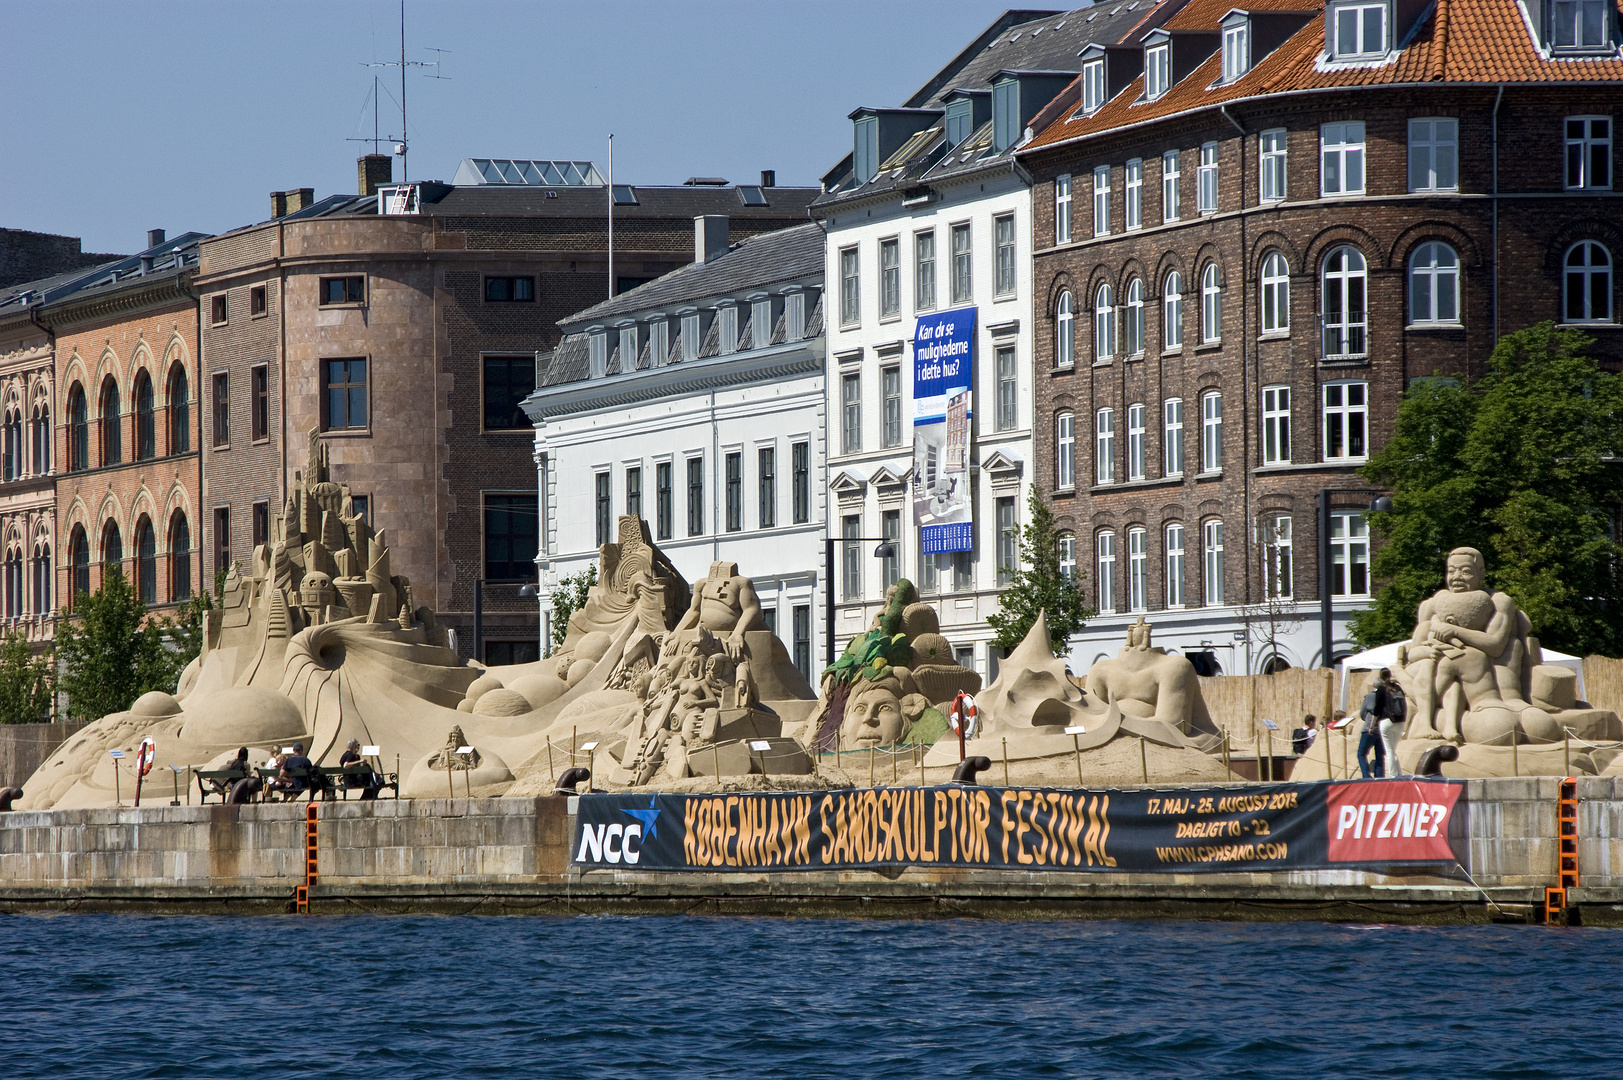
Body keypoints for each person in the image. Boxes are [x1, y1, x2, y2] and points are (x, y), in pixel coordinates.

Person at [1374, 668, 1408, 779]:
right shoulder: (1397, 688)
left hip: (1386, 721)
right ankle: (1399, 774)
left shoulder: (1381, 689)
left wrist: (1372, 724)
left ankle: (1393, 776)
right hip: (1400, 721)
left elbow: (1376, 710)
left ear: (1381, 677)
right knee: (1393, 750)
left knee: (1389, 751)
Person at [1357, 686, 1385, 778]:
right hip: (1381, 729)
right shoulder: (1387, 697)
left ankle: (1366, 776)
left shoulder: (1370, 696)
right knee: (1379, 756)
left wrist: (1367, 720)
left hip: (1369, 728)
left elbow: (1362, 713)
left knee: (1361, 754)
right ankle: (1379, 777)